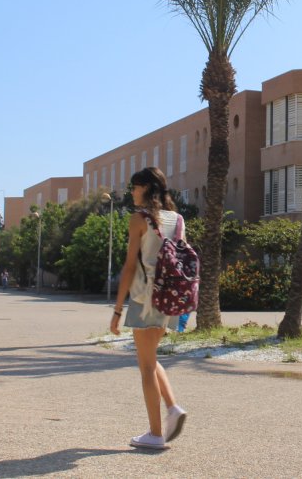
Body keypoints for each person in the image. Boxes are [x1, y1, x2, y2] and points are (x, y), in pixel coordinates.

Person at [110, 167, 187, 450]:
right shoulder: (177, 220)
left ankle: (156, 434)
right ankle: (172, 408)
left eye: (134, 186)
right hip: (168, 300)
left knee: (145, 367)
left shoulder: (139, 219)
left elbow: (130, 266)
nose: (131, 191)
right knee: (151, 358)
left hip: (144, 300)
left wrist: (118, 310)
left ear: (145, 188)